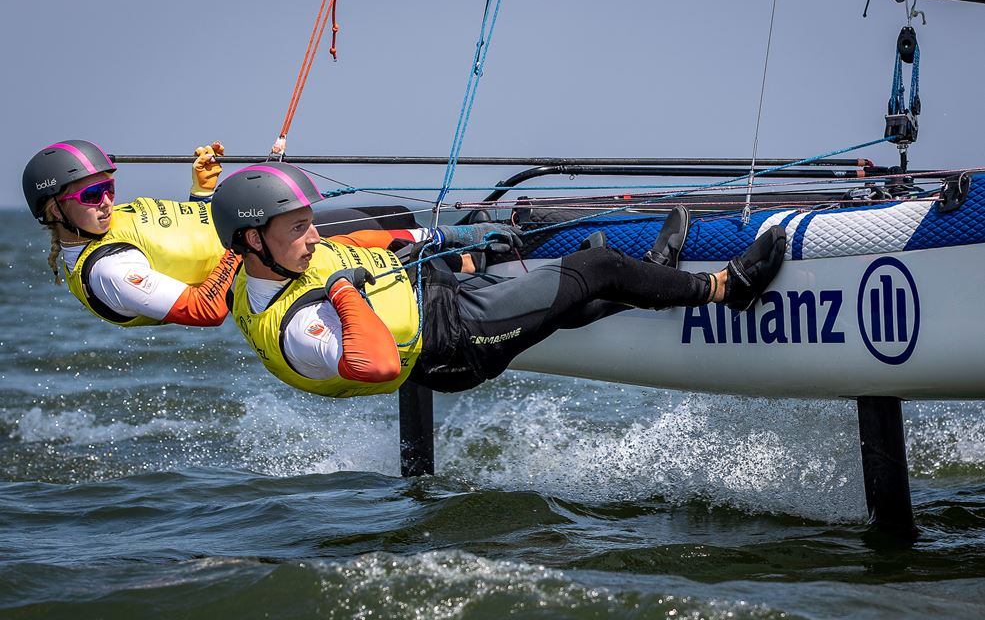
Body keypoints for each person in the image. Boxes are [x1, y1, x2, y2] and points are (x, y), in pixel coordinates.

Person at [210, 162, 787, 396]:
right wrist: (341, 291)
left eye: (311, 224)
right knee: (598, 268)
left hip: (437, 295)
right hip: (453, 345)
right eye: (298, 229)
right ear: (253, 239)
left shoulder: (272, 261)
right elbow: (380, 365)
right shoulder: (300, 328)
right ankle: (727, 290)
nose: (312, 238)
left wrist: (438, 245)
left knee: (553, 287)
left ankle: (653, 282)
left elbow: (358, 247)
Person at [22, 139, 240, 327]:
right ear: (56, 211)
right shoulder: (109, 271)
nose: (106, 202)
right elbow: (206, 309)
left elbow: (189, 246)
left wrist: (202, 194)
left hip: (254, 243)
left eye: (109, 188)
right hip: (254, 264)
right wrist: (240, 239)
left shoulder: (99, 222)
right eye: (92, 195)